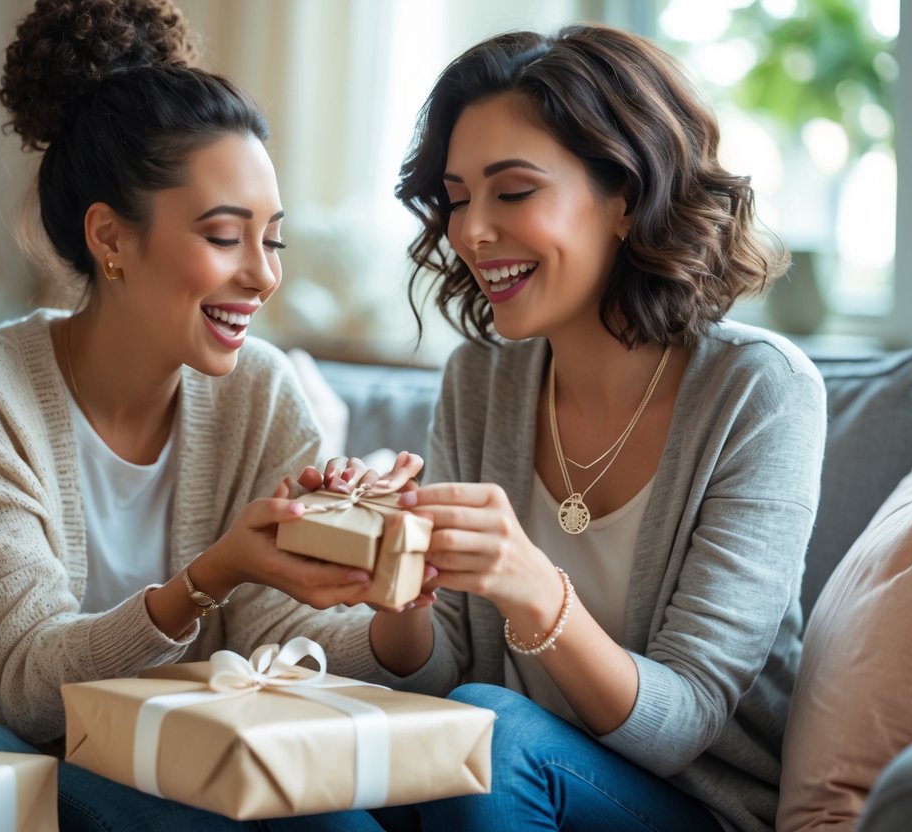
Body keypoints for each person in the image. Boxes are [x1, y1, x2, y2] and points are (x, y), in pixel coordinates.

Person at [0, 2, 422, 830]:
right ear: (110, 238)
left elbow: (284, 633)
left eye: (272, 241)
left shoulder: (260, 389)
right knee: (1, 755)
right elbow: (30, 688)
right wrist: (214, 573)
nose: (262, 276)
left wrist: (398, 608)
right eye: (222, 236)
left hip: (165, 739)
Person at [340, 23, 827, 832]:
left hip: (688, 805)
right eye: (457, 198)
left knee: (490, 732)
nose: (469, 231)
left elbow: (685, 721)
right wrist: (396, 581)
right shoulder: (481, 380)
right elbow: (437, 685)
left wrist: (531, 587)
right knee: (257, 793)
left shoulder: (758, 390)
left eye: (514, 191)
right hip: (490, 783)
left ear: (627, 199)